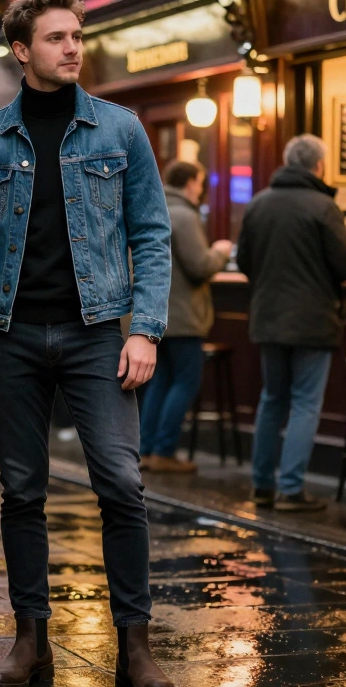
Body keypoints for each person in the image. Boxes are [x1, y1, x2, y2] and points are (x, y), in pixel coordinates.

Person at [0, 0, 173, 687]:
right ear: (21, 50)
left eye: (76, 35)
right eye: (55, 38)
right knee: (21, 490)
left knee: (121, 485)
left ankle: (135, 648)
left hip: (96, 333)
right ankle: (30, 641)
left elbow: (151, 235)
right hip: (10, 334)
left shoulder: (121, 129)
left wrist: (145, 330)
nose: (73, 47)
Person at [237, 134, 346, 512]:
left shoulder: (258, 203)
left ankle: (261, 486)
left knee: (272, 398)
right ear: (319, 166)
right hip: (313, 320)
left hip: (269, 317)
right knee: (305, 402)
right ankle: (290, 489)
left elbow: (243, 261)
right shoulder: (323, 206)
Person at [138, 161, 231, 474]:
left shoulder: (154, 207)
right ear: (191, 182)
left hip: (156, 314)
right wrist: (221, 251)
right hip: (183, 316)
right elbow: (200, 266)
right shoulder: (185, 215)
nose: (201, 190)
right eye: (200, 182)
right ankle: (164, 451)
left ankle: (146, 450)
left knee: (160, 381)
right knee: (185, 382)